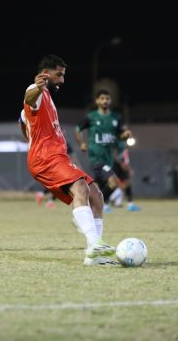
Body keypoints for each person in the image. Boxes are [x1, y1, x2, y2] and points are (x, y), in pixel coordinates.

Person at [22, 54, 117, 266]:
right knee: (81, 187)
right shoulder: (36, 91)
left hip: (57, 156)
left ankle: (95, 256)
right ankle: (94, 244)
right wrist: (37, 88)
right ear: (45, 74)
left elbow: (23, 120)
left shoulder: (47, 97)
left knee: (96, 195)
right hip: (45, 158)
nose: (62, 80)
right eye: (59, 74)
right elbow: (28, 98)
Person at [75, 89, 133, 213]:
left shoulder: (116, 118)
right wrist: (82, 143)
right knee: (114, 181)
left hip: (109, 158)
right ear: (97, 101)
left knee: (98, 187)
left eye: (107, 98)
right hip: (96, 157)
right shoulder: (91, 117)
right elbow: (78, 129)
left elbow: (121, 136)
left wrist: (125, 135)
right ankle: (100, 204)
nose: (105, 101)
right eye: (102, 98)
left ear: (110, 100)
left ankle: (87, 208)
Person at [111, 144, 141, 211]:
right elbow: (124, 161)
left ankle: (119, 203)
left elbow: (125, 161)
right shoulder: (121, 148)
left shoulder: (122, 149)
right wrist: (129, 170)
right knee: (126, 184)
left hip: (118, 168)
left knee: (122, 186)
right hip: (119, 169)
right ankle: (110, 198)